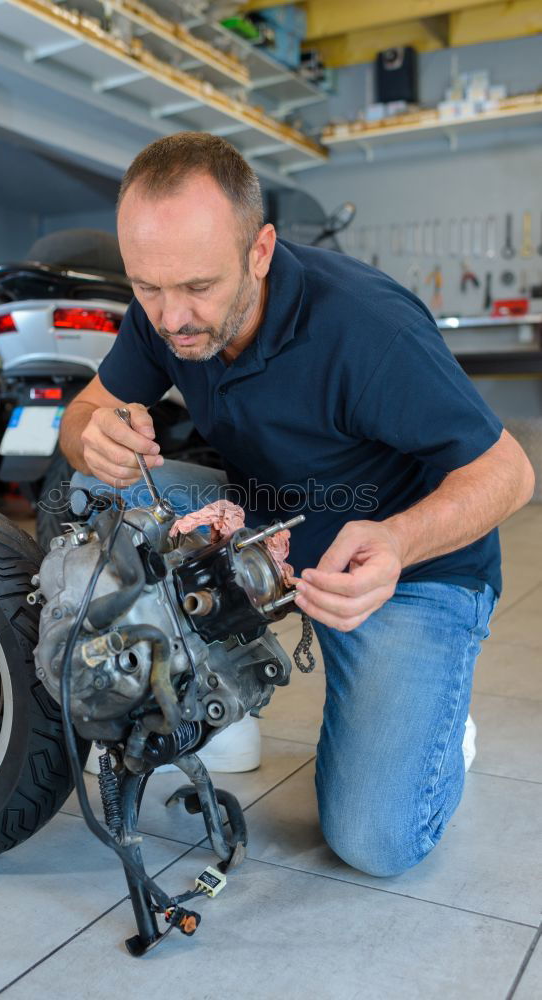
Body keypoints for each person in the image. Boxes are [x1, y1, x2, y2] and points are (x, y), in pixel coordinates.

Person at [59, 132, 534, 878]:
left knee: (374, 841)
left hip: (401, 565)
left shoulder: (365, 328)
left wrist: (399, 544)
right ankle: (220, 708)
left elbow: (508, 473)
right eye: (146, 287)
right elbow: (86, 411)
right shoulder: (164, 308)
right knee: (91, 489)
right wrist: (95, 437)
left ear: (259, 251)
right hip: (266, 535)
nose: (171, 316)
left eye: (195, 287)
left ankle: (440, 732)